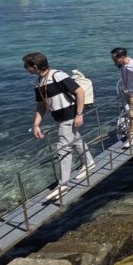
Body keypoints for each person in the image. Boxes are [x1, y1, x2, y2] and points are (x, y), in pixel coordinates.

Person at [23, 52, 95, 199]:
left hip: (69, 116)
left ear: (35, 67)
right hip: (59, 118)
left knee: (62, 148)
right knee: (75, 140)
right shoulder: (39, 82)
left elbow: (79, 92)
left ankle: (63, 185)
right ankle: (89, 163)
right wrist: (36, 124)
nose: (25, 69)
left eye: (26, 66)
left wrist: (79, 114)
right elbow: (41, 104)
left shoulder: (58, 76)